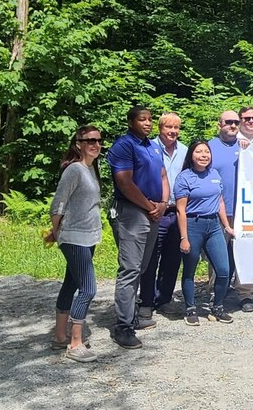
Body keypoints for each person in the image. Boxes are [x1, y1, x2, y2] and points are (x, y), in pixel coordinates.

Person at [106, 106, 169, 349]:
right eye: (142, 119)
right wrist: (148, 205)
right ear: (131, 121)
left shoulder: (153, 146)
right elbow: (124, 181)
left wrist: (162, 204)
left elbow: (163, 176)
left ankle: (132, 315)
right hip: (132, 212)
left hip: (153, 211)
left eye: (150, 119)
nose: (147, 123)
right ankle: (123, 326)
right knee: (130, 268)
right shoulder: (124, 145)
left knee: (142, 266)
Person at [48, 125, 103, 363]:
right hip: (74, 237)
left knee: (71, 283)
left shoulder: (91, 169)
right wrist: (56, 230)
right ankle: (75, 343)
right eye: (89, 140)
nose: (95, 144)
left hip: (88, 236)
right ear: (78, 143)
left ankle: (60, 336)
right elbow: (58, 204)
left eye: (98, 140)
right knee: (88, 288)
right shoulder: (74, 170)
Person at [174, 140, 234, 325]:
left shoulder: (214, 174)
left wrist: (227, 226)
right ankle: (191, 308)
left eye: (206, 152)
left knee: (223, 270)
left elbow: (220, 202)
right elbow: (180, 210)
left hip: (214, 226)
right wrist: (184, 238)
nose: (203, 155)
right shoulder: (184, 177)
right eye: (199, 152)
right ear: (191, 155)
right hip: (193, 225)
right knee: (190, 269)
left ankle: (217, 306)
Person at [139, 112, 187, 319]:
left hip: (177, 213)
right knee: (150, 258)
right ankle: (146, 302)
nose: (173, 132)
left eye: (176, 128)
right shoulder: (147, 148)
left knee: (172, 259)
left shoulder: (185, 151)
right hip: (153, 211)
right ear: (160, 128)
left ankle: (164, 299)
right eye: (169, 127)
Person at [209, 110, 253, 311]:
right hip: (218, 211)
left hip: (245, 211)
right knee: (216, 254)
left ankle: (246, 294)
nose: (232, 125)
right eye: (228, 122)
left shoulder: (247, 147)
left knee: (247, 253)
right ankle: (215, 292)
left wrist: (249, 150)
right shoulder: (209, 147)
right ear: (219, 124)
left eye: (236, 122)